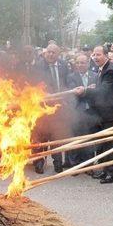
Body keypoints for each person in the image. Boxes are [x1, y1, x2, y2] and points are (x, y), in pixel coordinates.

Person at [74, 45, 113, 184]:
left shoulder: (111, 70)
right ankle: (105, 170)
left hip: (111, 114)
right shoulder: (101, 69)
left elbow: (104, 90)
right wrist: (89, 89)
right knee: (104, 144)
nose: (95, 57)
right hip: (102, 113)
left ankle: (112, 173)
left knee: (111, 145)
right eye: (94, 55)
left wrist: (84, 91)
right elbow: (98, 88)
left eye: (98, 55)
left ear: (106, 55)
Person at [33, 44, 71, 174]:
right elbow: (32, 84)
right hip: (42, 108)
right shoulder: (37, 66)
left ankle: (58, 164)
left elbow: (66, 83)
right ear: (45, 53)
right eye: (48, 52)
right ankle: (38, 163)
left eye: (53, 52)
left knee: (57, 136)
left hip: (59, 108)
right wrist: (43, 93)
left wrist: (65, 97)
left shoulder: (63, 66)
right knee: (40, 136)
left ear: (58, 54)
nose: (50, 54)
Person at [66, 54, 99, 166]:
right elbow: (75, 94)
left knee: (89, 138)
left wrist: (86, 92)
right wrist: (88, 90)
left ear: (88, 64)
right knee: (75, 138)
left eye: (83, 62)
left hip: (91, 112)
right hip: (77, 112)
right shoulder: (71, 77)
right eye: (78, 63)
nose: (80, 65)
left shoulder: (95, 76)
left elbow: (97, 93)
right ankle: (74, 165)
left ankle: (87, 164)